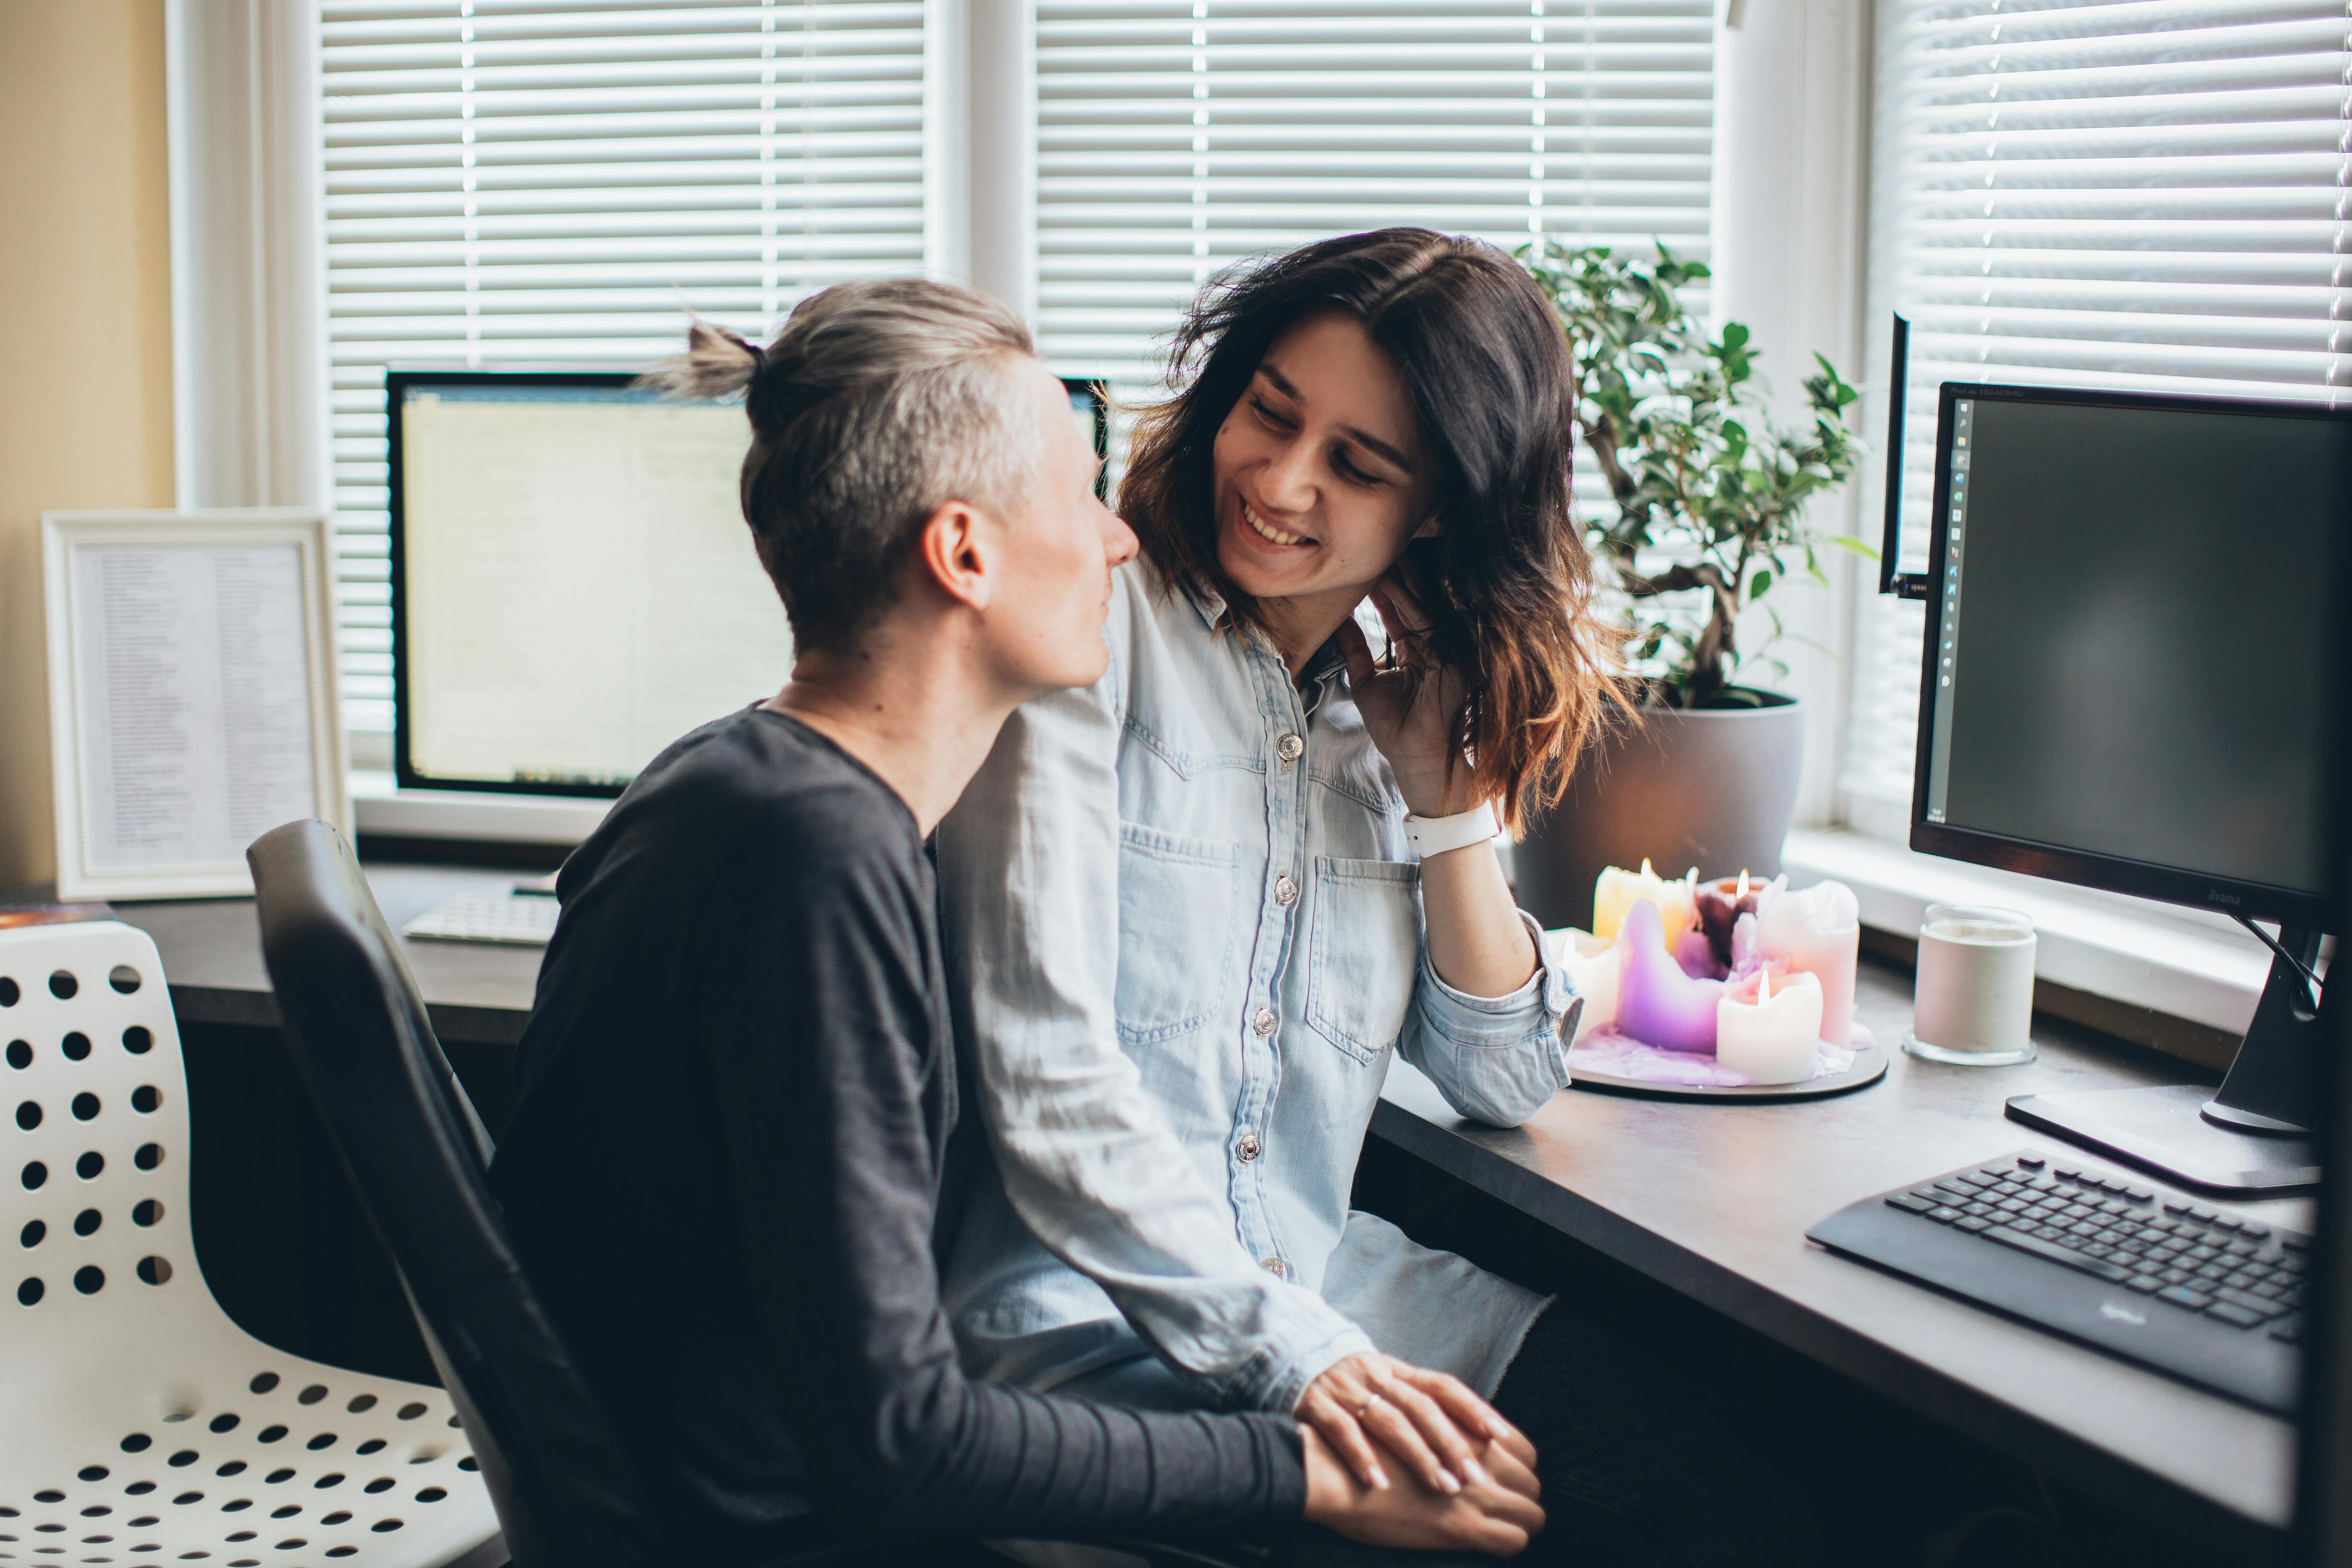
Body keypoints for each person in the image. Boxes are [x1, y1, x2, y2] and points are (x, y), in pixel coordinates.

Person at [486, 278, 1544, 1563]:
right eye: (1083, 494)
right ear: (967, 556)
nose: (1120, 540)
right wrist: (1301, 1476)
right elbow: (904, 1449)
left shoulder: (749, 797)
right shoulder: (811, 868)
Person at [936, 232, 1813, 1566]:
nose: (1281, 485)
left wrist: (1445, 798)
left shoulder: (1382, 710)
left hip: (1340, 1294)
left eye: (1357, 465)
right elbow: (1044, 1077)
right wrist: (1311, 1369)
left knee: (1740, 1481)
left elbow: (1505, 1076)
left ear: (1443, 508)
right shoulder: (1089, 639)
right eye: (1270, 415)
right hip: (1095, 1339)